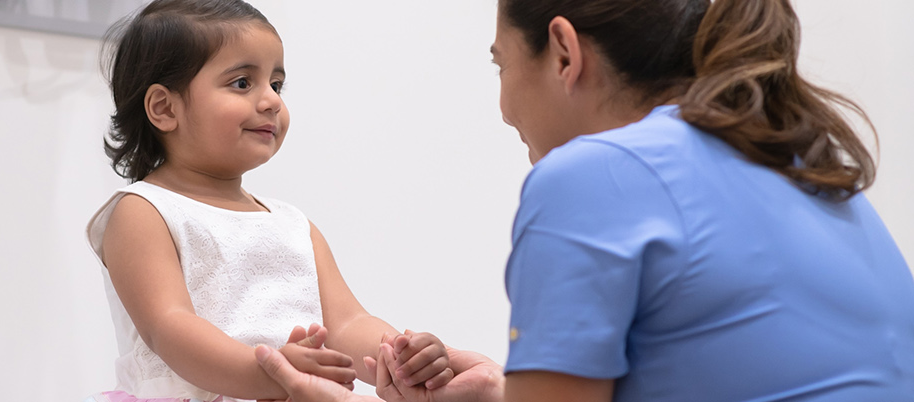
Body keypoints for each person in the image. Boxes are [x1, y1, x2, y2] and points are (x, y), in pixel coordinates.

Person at [256, 0, 914, 401]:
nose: (503, 103)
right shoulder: (795, 162)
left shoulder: (592, 177)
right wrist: (499, 392)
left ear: (565, 52)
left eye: (500, 64)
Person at [84, 1, 458, 401]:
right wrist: (269, 371)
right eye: (243, 83)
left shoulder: (292, 224)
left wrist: (398, 353)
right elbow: (170, 328)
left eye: (276, 85)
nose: (272, 101)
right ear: (164, 108)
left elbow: (347, 324)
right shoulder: (143, 211)